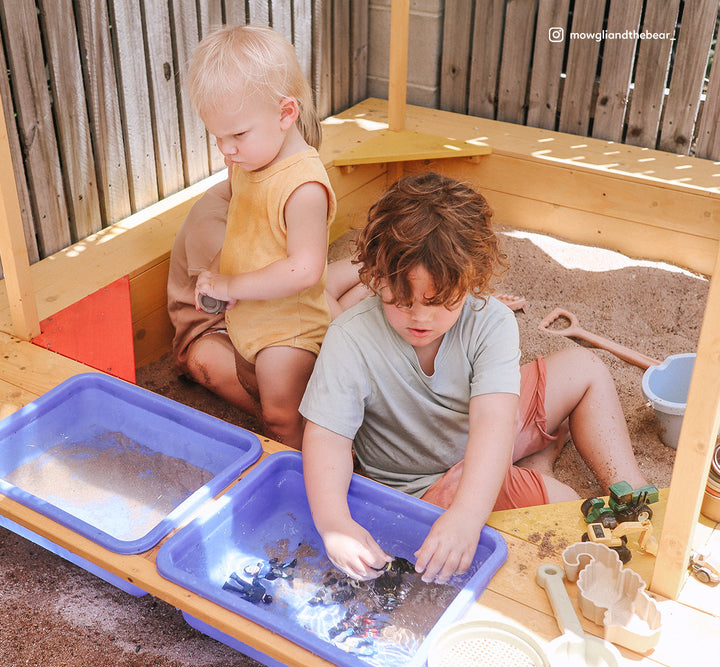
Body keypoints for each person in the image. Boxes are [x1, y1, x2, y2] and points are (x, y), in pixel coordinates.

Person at [300, 172, 651, 586]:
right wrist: (335, 524)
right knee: (567, 508)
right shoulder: (350, 338)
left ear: (472, 283)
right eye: (402, 298)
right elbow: (327, 441)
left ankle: (636, 494)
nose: (421, 317)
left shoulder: (492, 320)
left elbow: (493, 424)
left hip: (485, 443)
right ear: (375, 277)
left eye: (439, 301)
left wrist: (470, 518)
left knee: (585, 367)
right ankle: (540, 464)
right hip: (430, 485)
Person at [186, 25, 337, 449]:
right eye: (216, 136)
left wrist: (232, 284)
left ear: (286, 113)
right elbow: (244, 230)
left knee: (282, 415)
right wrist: (217, 273)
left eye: (237, 135)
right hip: (251, 317)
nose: (226, 149)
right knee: (260, 394)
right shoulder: (248, 164)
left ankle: (314, 470)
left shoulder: (303, 185)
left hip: (290, 329)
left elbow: (304, 269)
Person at [167, 180, 368, 416]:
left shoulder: (283, 196)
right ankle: (303, 417)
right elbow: (252, 293)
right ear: (232, 162)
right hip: (220, 329)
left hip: (279, 302)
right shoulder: (213, 221)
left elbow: (304, 279)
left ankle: (376, 273)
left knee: (356, 283)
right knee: (205, 360)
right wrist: (352, 347)